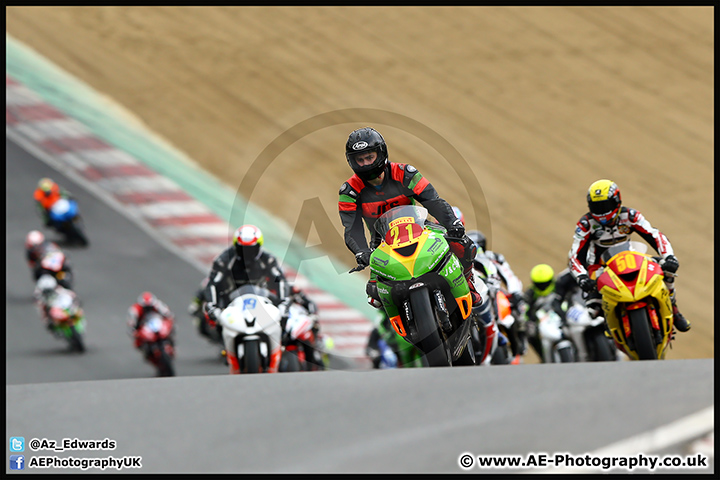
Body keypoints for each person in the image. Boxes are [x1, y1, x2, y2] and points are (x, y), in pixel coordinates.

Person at [338, 127, 483, 311]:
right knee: (375, 296)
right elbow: (352, 229)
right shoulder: (349, 192)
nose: (366, 164)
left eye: (370, 157)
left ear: (381, 153)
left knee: (463, 245)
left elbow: (432, 201)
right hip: (382, 243)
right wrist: (361, 252)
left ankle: (468, 284)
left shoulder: (405, 173)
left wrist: (452, 223)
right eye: (360, 159)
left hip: (419, 229)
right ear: (352, 161)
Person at [568, 179, 689, 332]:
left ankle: (674, 309)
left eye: (605, 206)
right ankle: (607, 328)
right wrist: (581, 277)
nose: (601, 211)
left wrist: (669, 256)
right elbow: (575, 256)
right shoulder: (585, 224)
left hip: (630, 258)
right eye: (596, 207)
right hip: (600, 266)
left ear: (617, 201)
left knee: (667, 270)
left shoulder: (630, 216)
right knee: (593, 304)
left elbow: (655, 235)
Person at [203, 224, 291, 325]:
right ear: (236, 246)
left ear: (259, 246)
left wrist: (283, 303)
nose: (246, 254)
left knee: (283, 323)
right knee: (215, 322)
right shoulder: (223, 260)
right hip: (230, 302)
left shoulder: (268, 260)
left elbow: (280, 281)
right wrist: (212, 305)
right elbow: (213, 283)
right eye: (242, 249)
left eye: (251, 249)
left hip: (261, 300)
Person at [522, 264, 580, 361]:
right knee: (530, 332)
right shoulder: (530, 294)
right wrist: (529, 321)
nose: (543, 287)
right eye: (539, 284)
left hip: (561, 316)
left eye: (545, 283)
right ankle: (543, 356)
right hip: (542, 321)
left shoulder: (559, 287)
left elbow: (572, 297)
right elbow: (525, 310)